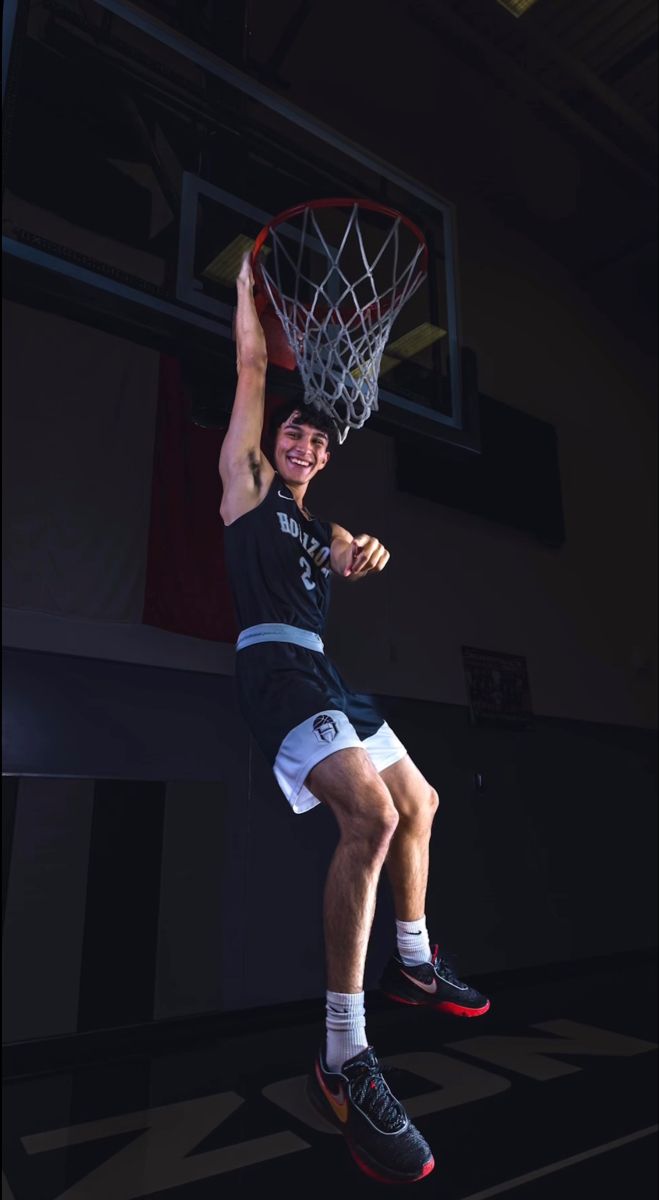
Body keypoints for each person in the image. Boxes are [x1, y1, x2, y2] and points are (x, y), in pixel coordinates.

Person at [219, 254, 489, 1185]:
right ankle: (342, 1054)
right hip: (274, 668)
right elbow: (255, 370)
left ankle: (413, 961)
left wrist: (367, 545)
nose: (302, 445)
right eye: (295, 433)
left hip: (325, 671)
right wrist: (252, 286)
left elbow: (351, 550)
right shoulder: (248, 488)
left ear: (327, 458)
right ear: (277, 440)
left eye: (316, 443)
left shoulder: (314, 523)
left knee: (419, 801)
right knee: (368, 819)